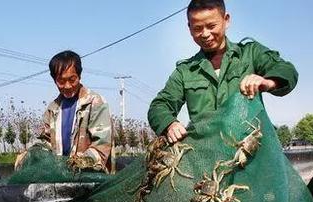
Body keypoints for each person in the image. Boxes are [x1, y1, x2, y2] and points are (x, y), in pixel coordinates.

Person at [148, 0, 298, 143]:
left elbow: (287, 71)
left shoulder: (250, 53)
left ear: (226, 20)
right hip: (205, 157)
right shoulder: (185, 71)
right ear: (189, 28)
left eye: (211, 26)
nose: (205, 34)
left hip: (250, 152)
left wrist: (268, 82)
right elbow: (159, 106)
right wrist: (170, 124)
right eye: (198, 28)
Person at [15, 50, 113, 171]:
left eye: (72, 80)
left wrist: (78, 163)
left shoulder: (95, 102)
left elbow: (101, 145)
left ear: (79, 76)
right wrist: (33, 154)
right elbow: (47, 142)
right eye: (61, 81)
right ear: (54, 80)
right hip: (61, 178)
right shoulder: (52, 109)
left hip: (92, 178)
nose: (67, 86)